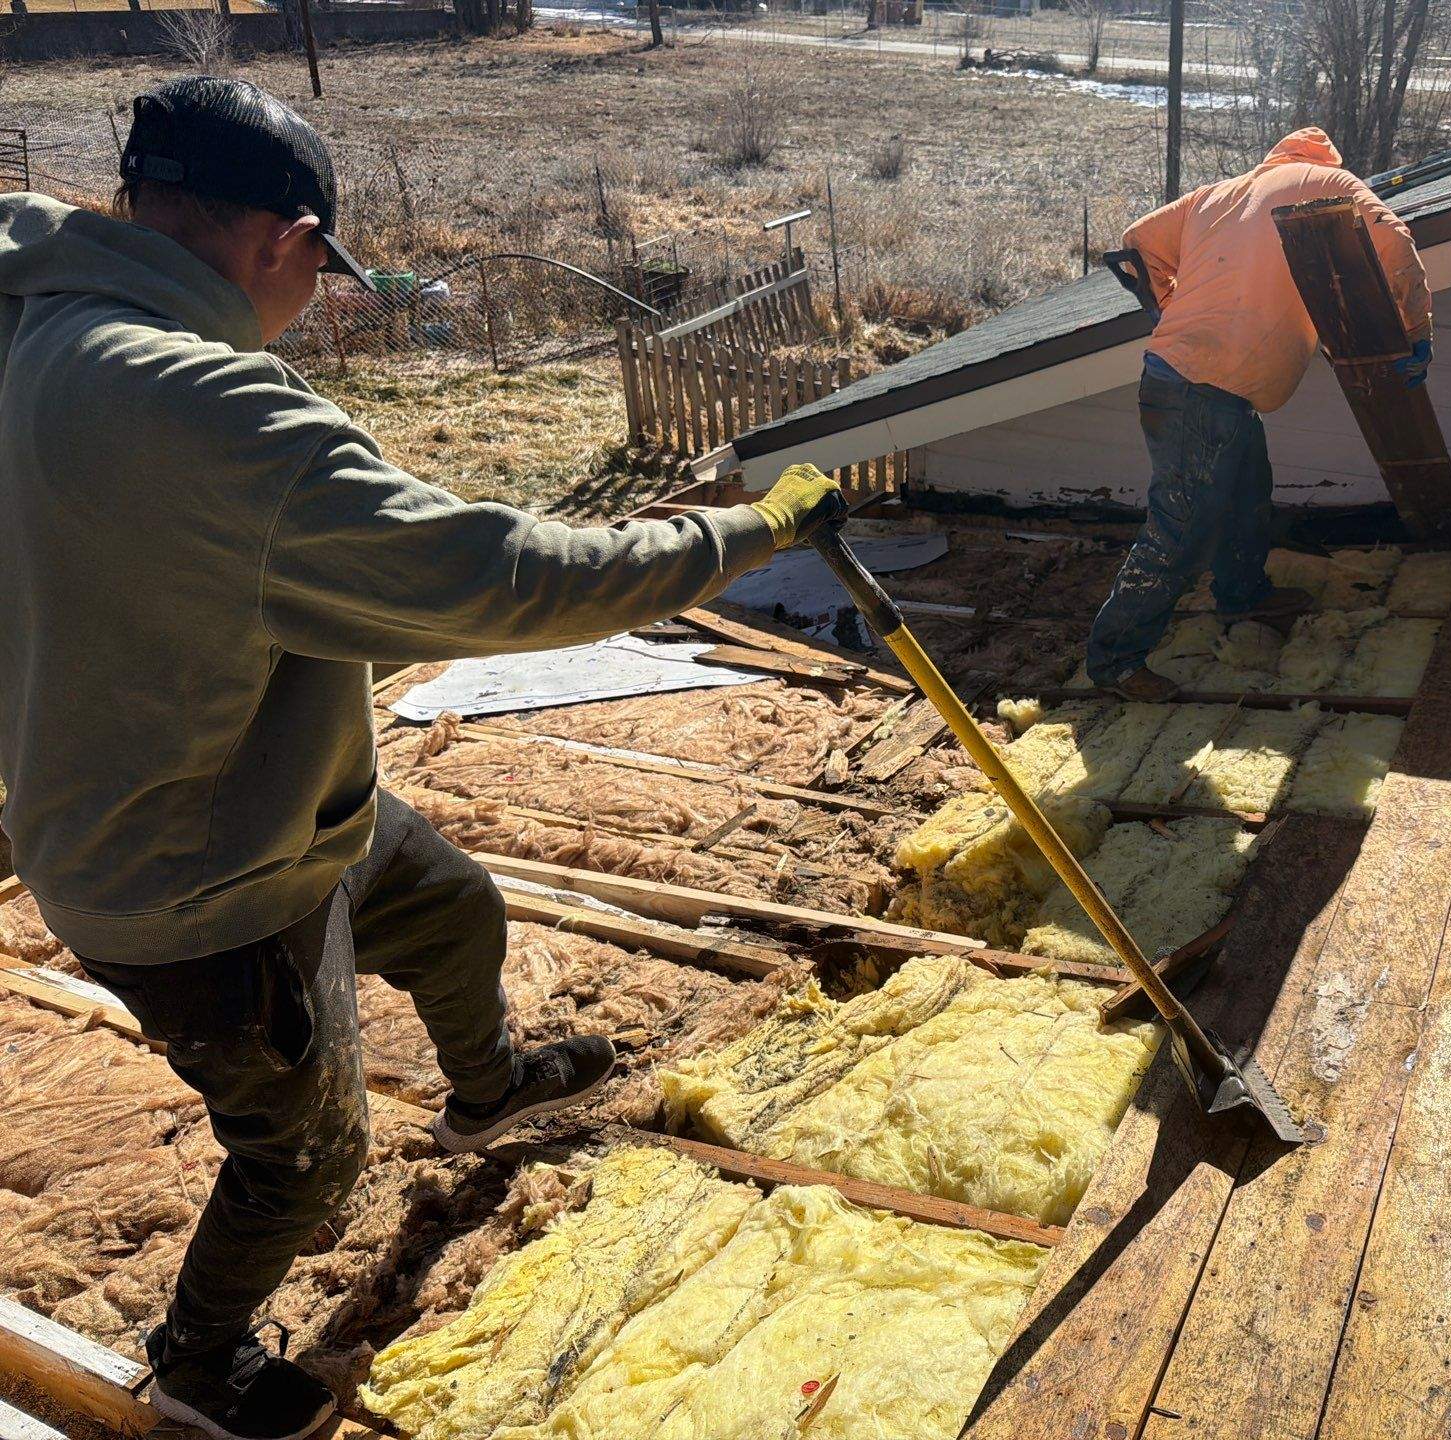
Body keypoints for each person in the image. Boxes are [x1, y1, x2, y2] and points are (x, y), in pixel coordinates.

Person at [0, 76, 841, 1440]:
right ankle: (203, 1353)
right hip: (196, 884)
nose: (320, 299)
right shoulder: (202, 411)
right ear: (284, 238)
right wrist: (743, 536)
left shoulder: (38, 308)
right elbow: (508, 580)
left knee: (451, 904)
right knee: (306, 1163)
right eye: (319, 271)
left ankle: (489, 1082)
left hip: (240, 786)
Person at [1087, 127, 1432, 700]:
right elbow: (1393, 239)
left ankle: (1243, 595)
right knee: (1177, 531)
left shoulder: (1217, 194)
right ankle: (1115, 662)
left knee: (1248, 495)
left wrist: (1175, 307)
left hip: (1192, 381)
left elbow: (1136, 240)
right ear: (1325, 158)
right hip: (1201, 387)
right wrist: (1416, 331)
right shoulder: (1330, 183)